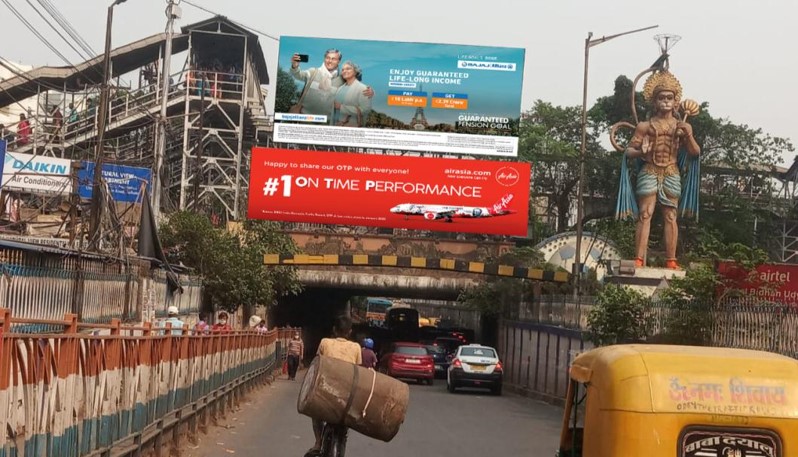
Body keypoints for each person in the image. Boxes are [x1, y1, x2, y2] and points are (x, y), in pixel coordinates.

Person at [619, 69, 700, 270]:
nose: (665, 101)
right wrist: (641, 152)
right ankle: (638, 258)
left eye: (669, 97)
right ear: (654, 102)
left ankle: (671, 260)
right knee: (645, 213)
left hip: (671, 171)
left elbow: (695, 153)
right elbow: (629, 151)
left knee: (671, 216)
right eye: (661, 97)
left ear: (675, 101)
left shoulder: (682, 127)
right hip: (649, 169)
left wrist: (688, 135)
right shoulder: (645, 126)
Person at [305, 315, 362, 456]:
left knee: (315, 413)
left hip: (326, 391)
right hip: (347, 396)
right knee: (346, 422)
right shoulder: (356, 347)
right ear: (349, 332)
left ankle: (318, 442)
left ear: (334, 330)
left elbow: (318, 363)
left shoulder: (325, 342)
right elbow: (358, 371)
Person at [290, 49, 374, 123]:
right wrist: (295, 66)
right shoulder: (313, 72)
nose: (330, 61)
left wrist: (370, 91)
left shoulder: (342, 78)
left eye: (333, 59)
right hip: (304, 118)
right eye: (328, 58)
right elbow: (298, 74)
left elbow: (356, 85)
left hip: (327, 122)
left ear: (339, 61)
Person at [332, 61, 372, 127]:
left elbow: (366, 109)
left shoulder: (363, 88)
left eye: (348, 68)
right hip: (335, 125)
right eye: (343, 69)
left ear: (355, 71)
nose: (344, 71)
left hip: (350, 126)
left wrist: (341, 107)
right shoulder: (340, 88)